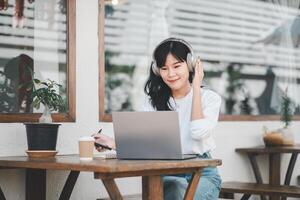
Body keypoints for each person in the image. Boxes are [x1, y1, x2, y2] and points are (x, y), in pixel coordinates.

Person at [94, 37, 222, 200]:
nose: (170, 74)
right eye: (164, 68)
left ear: (190, 66)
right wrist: (112, 143)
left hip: (202, 175)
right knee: (173, 189)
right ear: (157, 70)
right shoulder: (151, 103)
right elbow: (145, 143)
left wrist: (196, 87)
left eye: (177, 66)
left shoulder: (209, 98)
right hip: (167, 174)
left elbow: (197, 132)